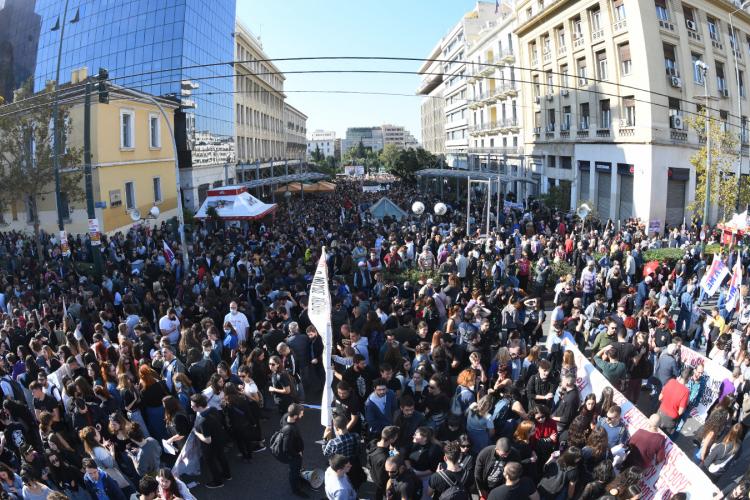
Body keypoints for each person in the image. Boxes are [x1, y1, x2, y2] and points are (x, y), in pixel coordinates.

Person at [190, 393, 230, 489]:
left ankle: (217, 481)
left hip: (210, 446)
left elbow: (207, 440)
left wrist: (196, 433)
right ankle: (227, 475)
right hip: (219, 438)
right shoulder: (213, 409)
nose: (191, 407)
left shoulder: (202, 420)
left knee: (211, 462)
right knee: (221, 456)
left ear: (198, 406)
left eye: (192, 406)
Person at [278, 403, 308, 498]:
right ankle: (296, 490)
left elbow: (280, 423)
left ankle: (297, 477)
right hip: (294, 456)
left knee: (296, 469)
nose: (302, 415)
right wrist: (297, 454)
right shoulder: (290, 430)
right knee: (293, 471)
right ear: (295, 416)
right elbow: (286, 448)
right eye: (301, 413)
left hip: (295, 452)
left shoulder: (285, 416)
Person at [367, 425, 400, 500]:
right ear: (391, 439)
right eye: (396, 437)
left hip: (372, 476)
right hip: (381, 486)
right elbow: (383, 478)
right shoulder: (384, 458)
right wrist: (396, 456)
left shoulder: (373, 442)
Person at [657, 367, 690, 435]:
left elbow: (660, 398)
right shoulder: (686, 391)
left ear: (680, 375)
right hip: (670, 421)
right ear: (688, 379)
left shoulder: (671, 381)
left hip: (660, 413)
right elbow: (680, 412)